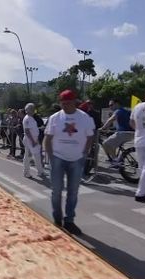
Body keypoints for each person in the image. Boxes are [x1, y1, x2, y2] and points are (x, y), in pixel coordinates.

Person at [43, 90, 95, 235]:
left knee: (73, 192)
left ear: (75, 103)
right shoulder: (55, 118)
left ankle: (70, 220)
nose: (65, 106)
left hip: (77, 159)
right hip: (58, 158)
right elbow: (47, 138)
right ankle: (57, 218)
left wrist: (84, 152)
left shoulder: (84, 118)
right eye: (62, 104)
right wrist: (51, 157)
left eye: (68, 103)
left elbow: (90, 136)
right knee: (56, 191)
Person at [100, 99, 134, 168]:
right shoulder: (127, 111)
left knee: (105, 144)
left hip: (123, 133)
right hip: (130, 133)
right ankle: (115, 159)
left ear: (117, 104)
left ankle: (116, 161)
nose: (110, 107)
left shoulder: (118, 111)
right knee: (112, 145)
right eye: (109, 105)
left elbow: (111, 120)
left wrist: (102, 128)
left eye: (111, 105)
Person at [23, 103, 45, 178]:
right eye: (32, 109)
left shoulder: (31, 118)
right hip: (30, 140)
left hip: (33, 139)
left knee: (34, 156)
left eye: (33, 109)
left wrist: (39, 129)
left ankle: (39, 171)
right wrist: (33, 141)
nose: (34, 110)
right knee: (30, 157)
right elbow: (27, 131)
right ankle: (28, 172)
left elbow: (32, 129)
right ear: (28, 110)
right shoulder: (27, 119)